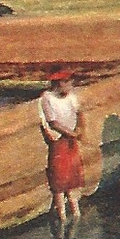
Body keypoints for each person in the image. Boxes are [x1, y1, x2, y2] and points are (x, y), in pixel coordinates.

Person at [38, 68, 85, 225]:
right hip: (58, 141)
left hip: (71, 140)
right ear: (59, 84)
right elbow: (53, 123)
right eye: (67, 81)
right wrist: (71, 134)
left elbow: (79, 113)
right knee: (59, 181)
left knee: (72, 179)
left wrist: (80, 129)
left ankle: (76, 212)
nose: (70, 84)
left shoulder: (71, 96)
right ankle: (62, 216)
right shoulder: (47, 98)